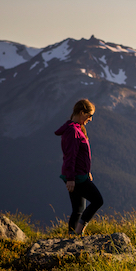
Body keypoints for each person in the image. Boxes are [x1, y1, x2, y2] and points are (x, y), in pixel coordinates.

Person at [55, 99, 104, 235]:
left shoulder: (75, 128)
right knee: (97, 200)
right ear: (82, 112)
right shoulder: (73, 131)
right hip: (75, 176)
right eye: (89, 115)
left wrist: (87, 171)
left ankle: (72, 237)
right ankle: (78, 232)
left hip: (78, 174)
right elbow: (70, 156)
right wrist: (71, 179)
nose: (90, 119)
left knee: (78, 208)